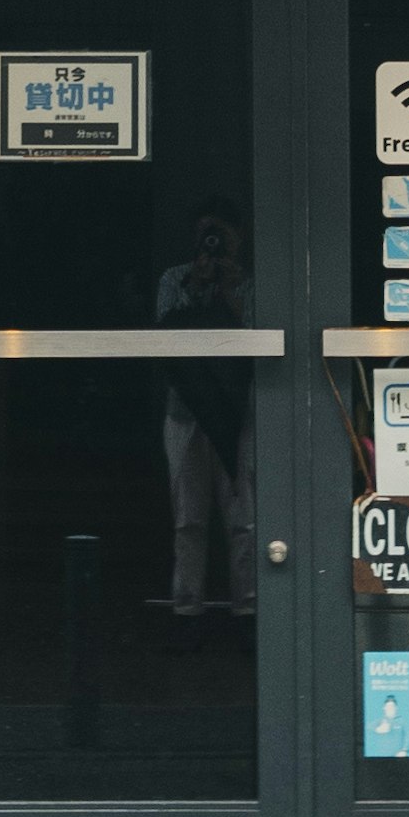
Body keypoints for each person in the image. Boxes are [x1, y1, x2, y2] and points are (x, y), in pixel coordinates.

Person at [156, 193, 257, 621]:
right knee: (188, 520)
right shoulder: (174, 279)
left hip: (237, 411)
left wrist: (231, 291)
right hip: (186, 410)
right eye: (206, 235)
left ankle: (249, 612)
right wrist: (195, 287)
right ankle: (186, 611)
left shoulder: (251, 281)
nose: (212, 244)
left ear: (238, 238)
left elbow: (257, 340)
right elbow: (163, 337)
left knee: (244, 519)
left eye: (221, 235)